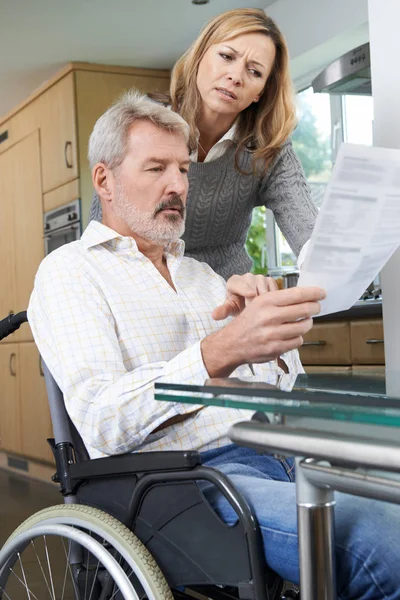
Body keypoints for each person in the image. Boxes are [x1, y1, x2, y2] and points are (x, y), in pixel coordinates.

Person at [29, 94, 400, 598]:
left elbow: (281, 390)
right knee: (384, 545)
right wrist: (218, 351)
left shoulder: (203, 276)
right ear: (104, 180)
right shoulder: (71, 271)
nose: (177, 185)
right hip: (185, 486)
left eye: (183, 168)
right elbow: (102, 420)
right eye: (156, 167)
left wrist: (266, 340)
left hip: (278, 456)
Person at [89, 8, 318, 280]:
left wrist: (324, 265)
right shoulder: (143, 128)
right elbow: (103, 231)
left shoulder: (269, 148)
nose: (235, 76)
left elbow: (311, 238)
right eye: (226, 57)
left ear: (261, 93)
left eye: (254, 71)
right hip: (144, 290)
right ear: (199, 57)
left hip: (226, 295)